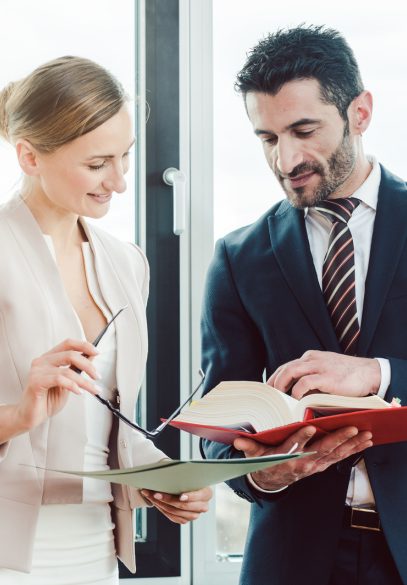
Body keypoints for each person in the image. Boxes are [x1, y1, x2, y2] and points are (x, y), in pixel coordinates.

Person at [201, 25, 407, 585]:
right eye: (267, 138)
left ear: (360, 112)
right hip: (291, 560)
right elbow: (216, 426)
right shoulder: (239, 258)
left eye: (303, 130)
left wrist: (380, 373)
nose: (286, 159)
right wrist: (264, 475)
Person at [0, 56, 211, 584]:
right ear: (29, 156)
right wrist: (19, 415)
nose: (118, 183)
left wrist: (160, 476)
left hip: (95, 544)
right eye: (97, 164)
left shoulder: (126, 262)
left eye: (125, 158)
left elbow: (108, 424)